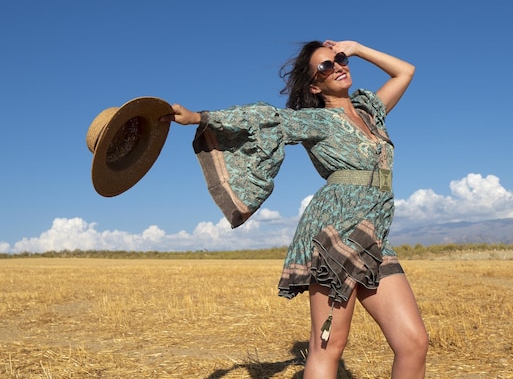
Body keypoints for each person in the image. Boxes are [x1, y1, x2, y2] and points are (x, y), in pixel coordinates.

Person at [163, 40, 428, 378]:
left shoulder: (370, 111)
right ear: (315, 85)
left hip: (372, 236)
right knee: (328, 346)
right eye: (326, 66)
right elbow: (263, 119)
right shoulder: (316, 121)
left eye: (340, 60)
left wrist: (357, 48)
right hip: (334, 231)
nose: (338, 66)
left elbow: (406, 71)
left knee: (414, 342)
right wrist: (200, 117)